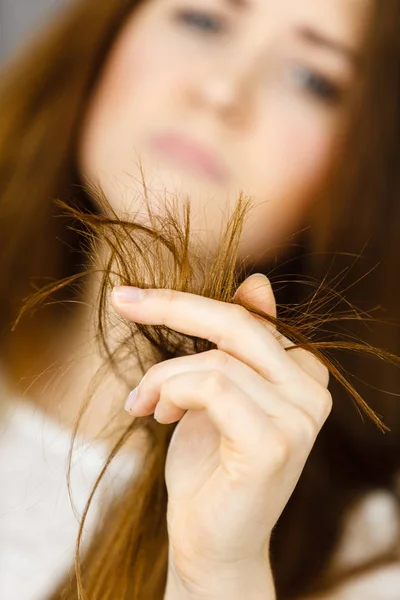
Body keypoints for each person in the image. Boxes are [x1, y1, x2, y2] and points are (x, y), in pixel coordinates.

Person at [0, 0, 399, 598]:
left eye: (313, 78)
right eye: (204, 20)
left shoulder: (366, 565)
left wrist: (219, 574)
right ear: (106, 34)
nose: (221, 91)